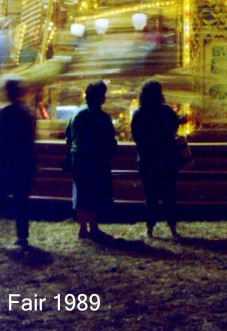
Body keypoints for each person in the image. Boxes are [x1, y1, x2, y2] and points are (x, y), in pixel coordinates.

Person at [130, 80, 186, 239]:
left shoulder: (139, 114)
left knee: (150, 196)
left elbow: (136, 136)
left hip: (148, 160)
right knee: (170, 194)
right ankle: (173, 229)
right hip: (167, 158)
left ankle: (150, 230)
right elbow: (174, 126)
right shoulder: (166, 111)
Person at [65, 81, 118, 242]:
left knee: (81, 192)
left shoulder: (77, 114)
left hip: (79, 157)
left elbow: (69, 136)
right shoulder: (103, 117)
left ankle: (83, 228)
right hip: (96, 159)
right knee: (95, 192)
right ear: (100, 98)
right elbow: (110, 140)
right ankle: (94, 227)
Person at [0, 80, 37, 249]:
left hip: (8, 161)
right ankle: (22, 235)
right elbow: (31, 138)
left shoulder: (5, 113)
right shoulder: (27, 113)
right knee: (21, 200)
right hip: (23, 162)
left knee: (2, 194)